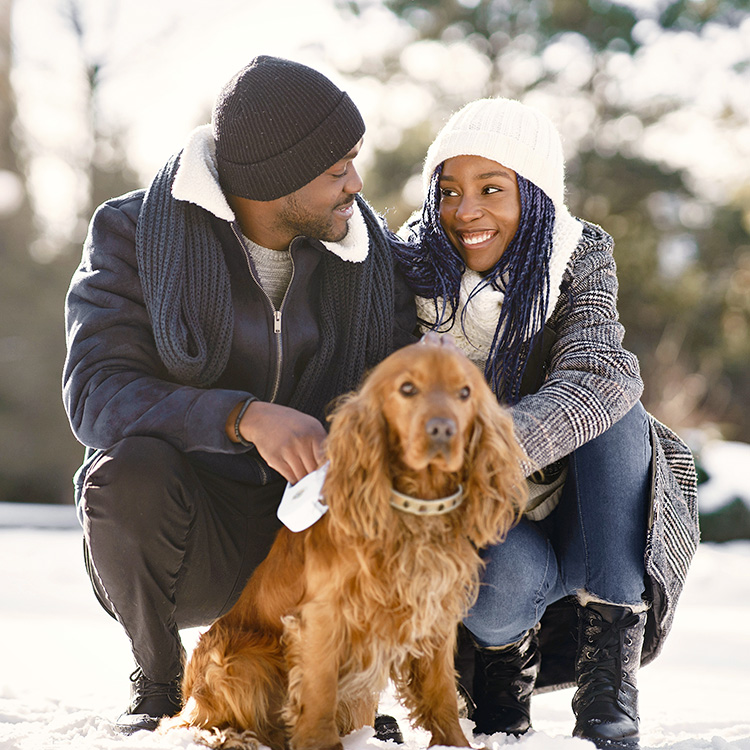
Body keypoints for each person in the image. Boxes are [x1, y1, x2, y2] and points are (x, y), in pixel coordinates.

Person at [62, 55, 415, 736]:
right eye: (337, 170)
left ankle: (351, 692)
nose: (358, 186)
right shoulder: (134, 234)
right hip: (195, 529)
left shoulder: (372, 259)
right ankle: (161, 679)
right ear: (274, 182)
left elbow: (396, 389)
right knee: (124, 473)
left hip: (310, 523)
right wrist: (241, 417)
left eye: (354, 162)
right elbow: (96, 394)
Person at [393, 97, 699, 748]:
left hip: (582, 511)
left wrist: (489, 442)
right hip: (482, 524)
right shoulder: (403, 269)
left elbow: (599, 371)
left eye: (491, 189)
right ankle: (500, 676)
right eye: (448, 191)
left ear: (534, 196)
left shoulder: (578, 254)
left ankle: (608, 680)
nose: (464, 210)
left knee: (619, 407)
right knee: (495, 577)